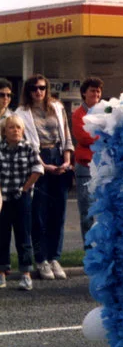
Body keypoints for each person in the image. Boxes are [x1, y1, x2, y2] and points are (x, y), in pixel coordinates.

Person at [15, 74, 74, 281]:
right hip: (38, 160)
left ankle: (54, 257)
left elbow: (66, 134)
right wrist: (42, 164)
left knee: (59, 212)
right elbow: (26, 143)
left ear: (47, 89)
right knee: (38, 214)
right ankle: (41, 259)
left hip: (59, 156)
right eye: (33, 88)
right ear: (28, 91)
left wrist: (66, 160)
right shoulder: (22, 113)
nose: (38, 92)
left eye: (41, 88)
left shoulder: (57, 107)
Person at [0, 115, 43, 291]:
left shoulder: (29, 147)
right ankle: (2, 271)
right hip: (2, 197)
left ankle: (25, 273)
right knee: (2, 235)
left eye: (18, 127)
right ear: (4, 131)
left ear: (23, 130)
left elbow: (38, 169)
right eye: (11, 127)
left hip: (21, 197)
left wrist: (25, 189)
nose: (15, 130)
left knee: (23, 235)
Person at [72, 77, 103, 246]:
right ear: (84, 93)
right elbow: (83, 138)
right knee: (87, 212)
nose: (96, 94)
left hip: (103, 167)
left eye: (98, 91)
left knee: (104, 209)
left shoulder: (105, 111)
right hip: (85, 167)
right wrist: (103, 137)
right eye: (92, 90)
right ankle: (89, 249)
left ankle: (103, 247)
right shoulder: (78, 114)